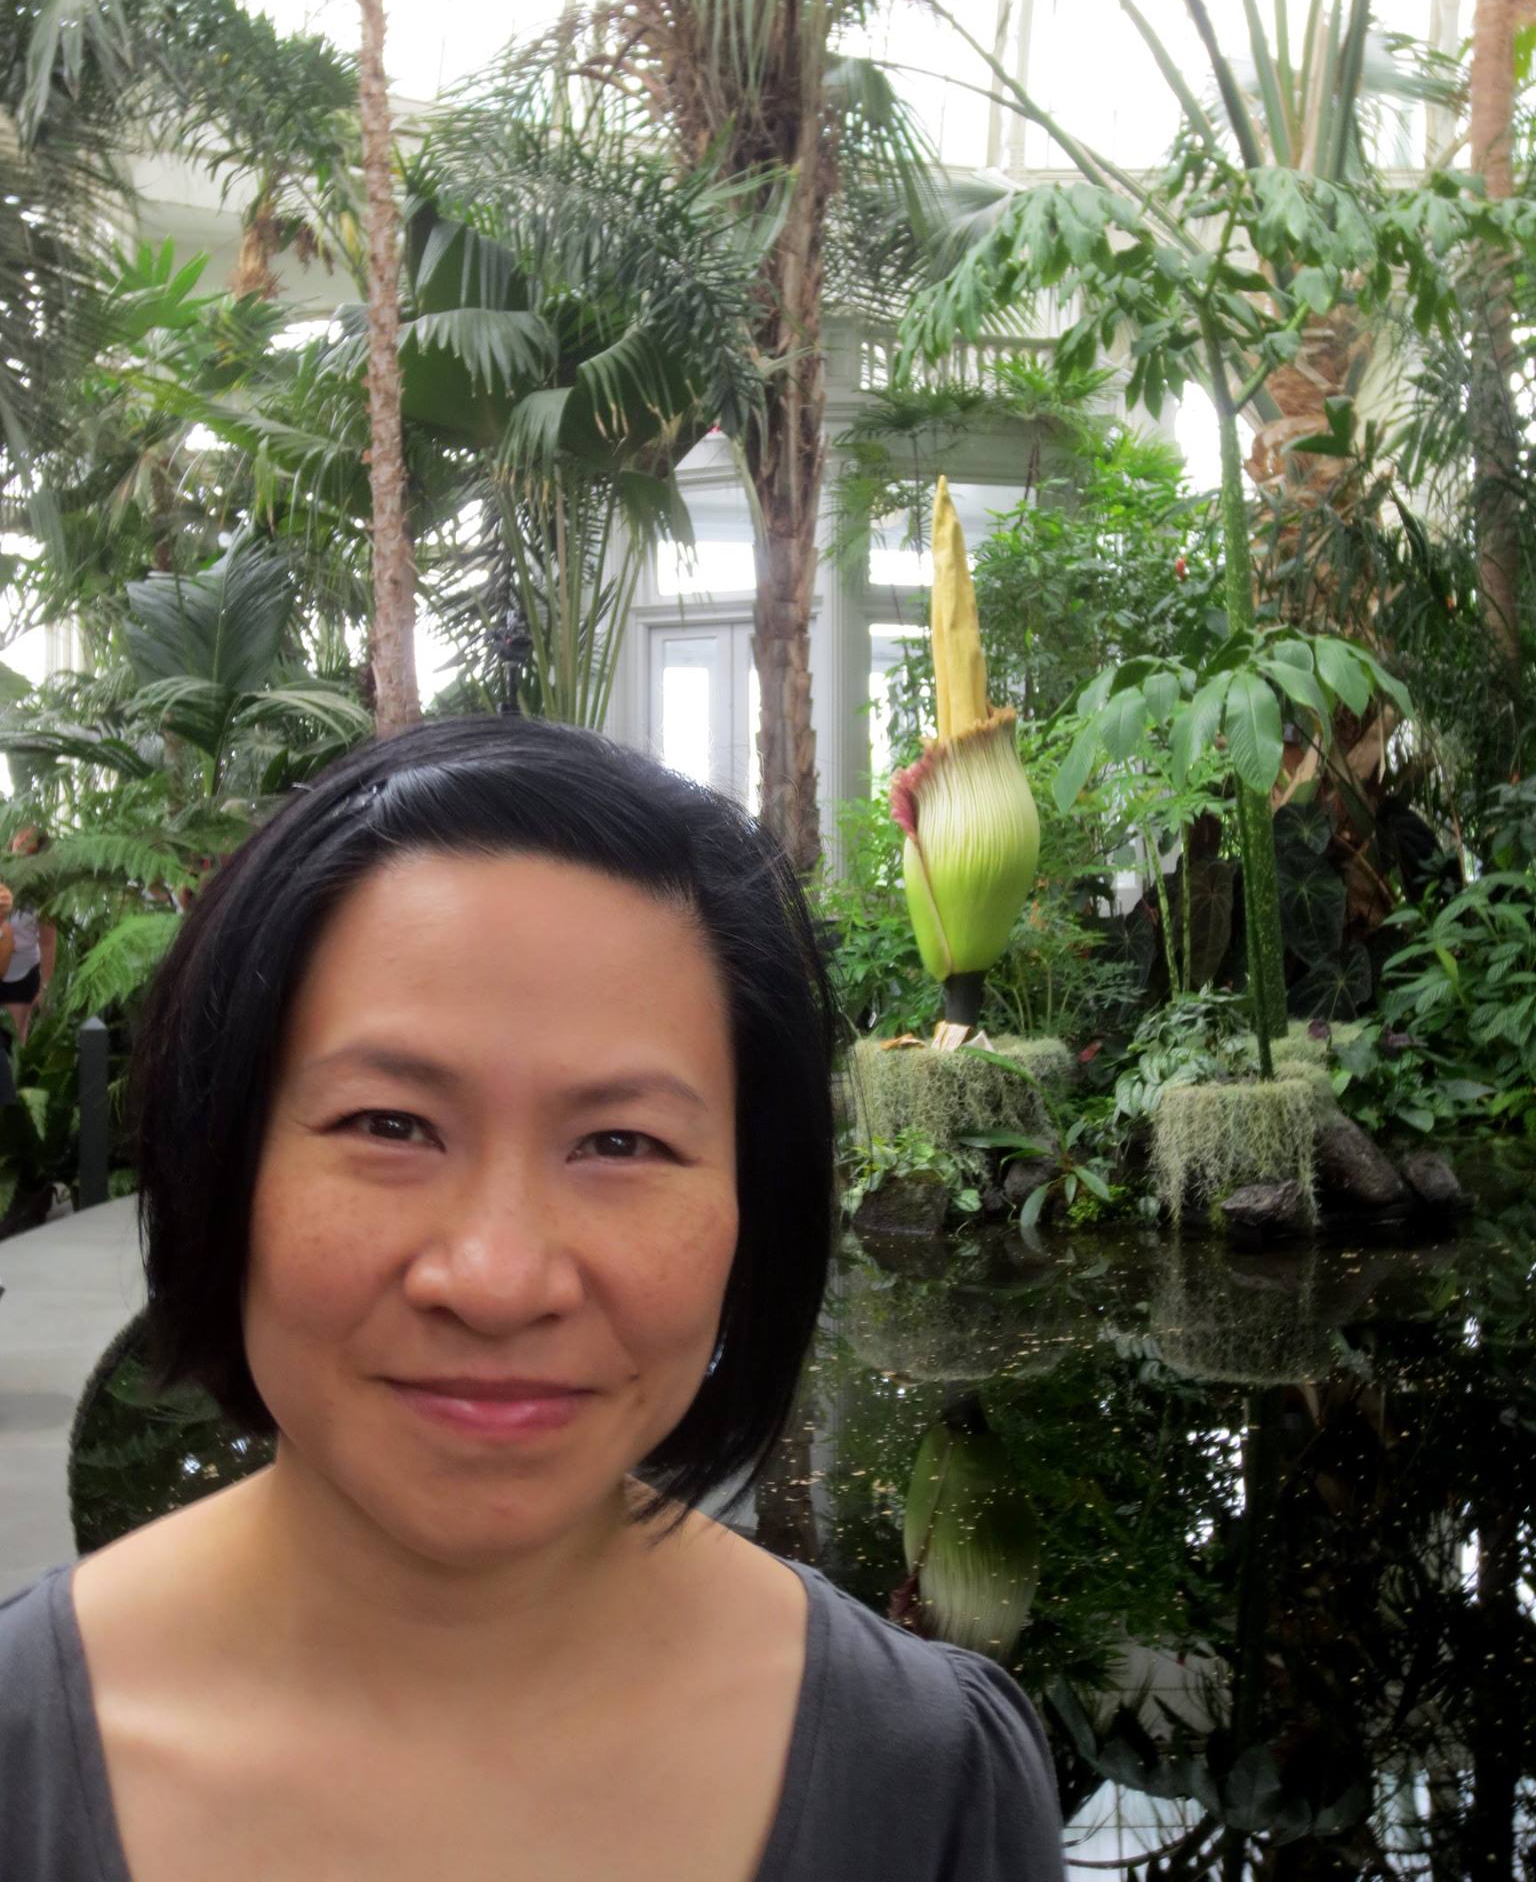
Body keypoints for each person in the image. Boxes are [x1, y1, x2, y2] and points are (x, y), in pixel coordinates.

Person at [0, 717, 1064, 1881]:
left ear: (752, 1207)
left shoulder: (923, 1781)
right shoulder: (25, 1756)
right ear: (225, 1163)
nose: (500, 1281)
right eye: (389, 1124)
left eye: (621, 1139)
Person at [0, 824, 57, 1043]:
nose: (22, 838)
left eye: (30, 836)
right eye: (20, 832)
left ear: (38, 847)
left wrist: (45, 986)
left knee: (15, 1039)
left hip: (22, 972)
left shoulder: (43, 889)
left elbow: (48, 942)